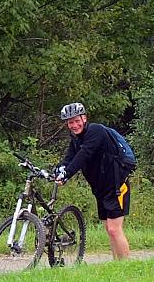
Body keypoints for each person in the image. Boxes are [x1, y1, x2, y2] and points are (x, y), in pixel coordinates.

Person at [55, 102, 131, 260]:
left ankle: (127, 266)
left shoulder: (96, 131)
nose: (74, 125)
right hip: (100, 188)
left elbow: (84, 155)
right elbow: (70, 157)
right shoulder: (76, 138)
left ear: (84, 118)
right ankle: (117, 264)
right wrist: (59, 169)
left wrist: (67, 174)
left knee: (114, 229)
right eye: (70, 122)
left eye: (76, 120)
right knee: (108, 228)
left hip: (116, 185)